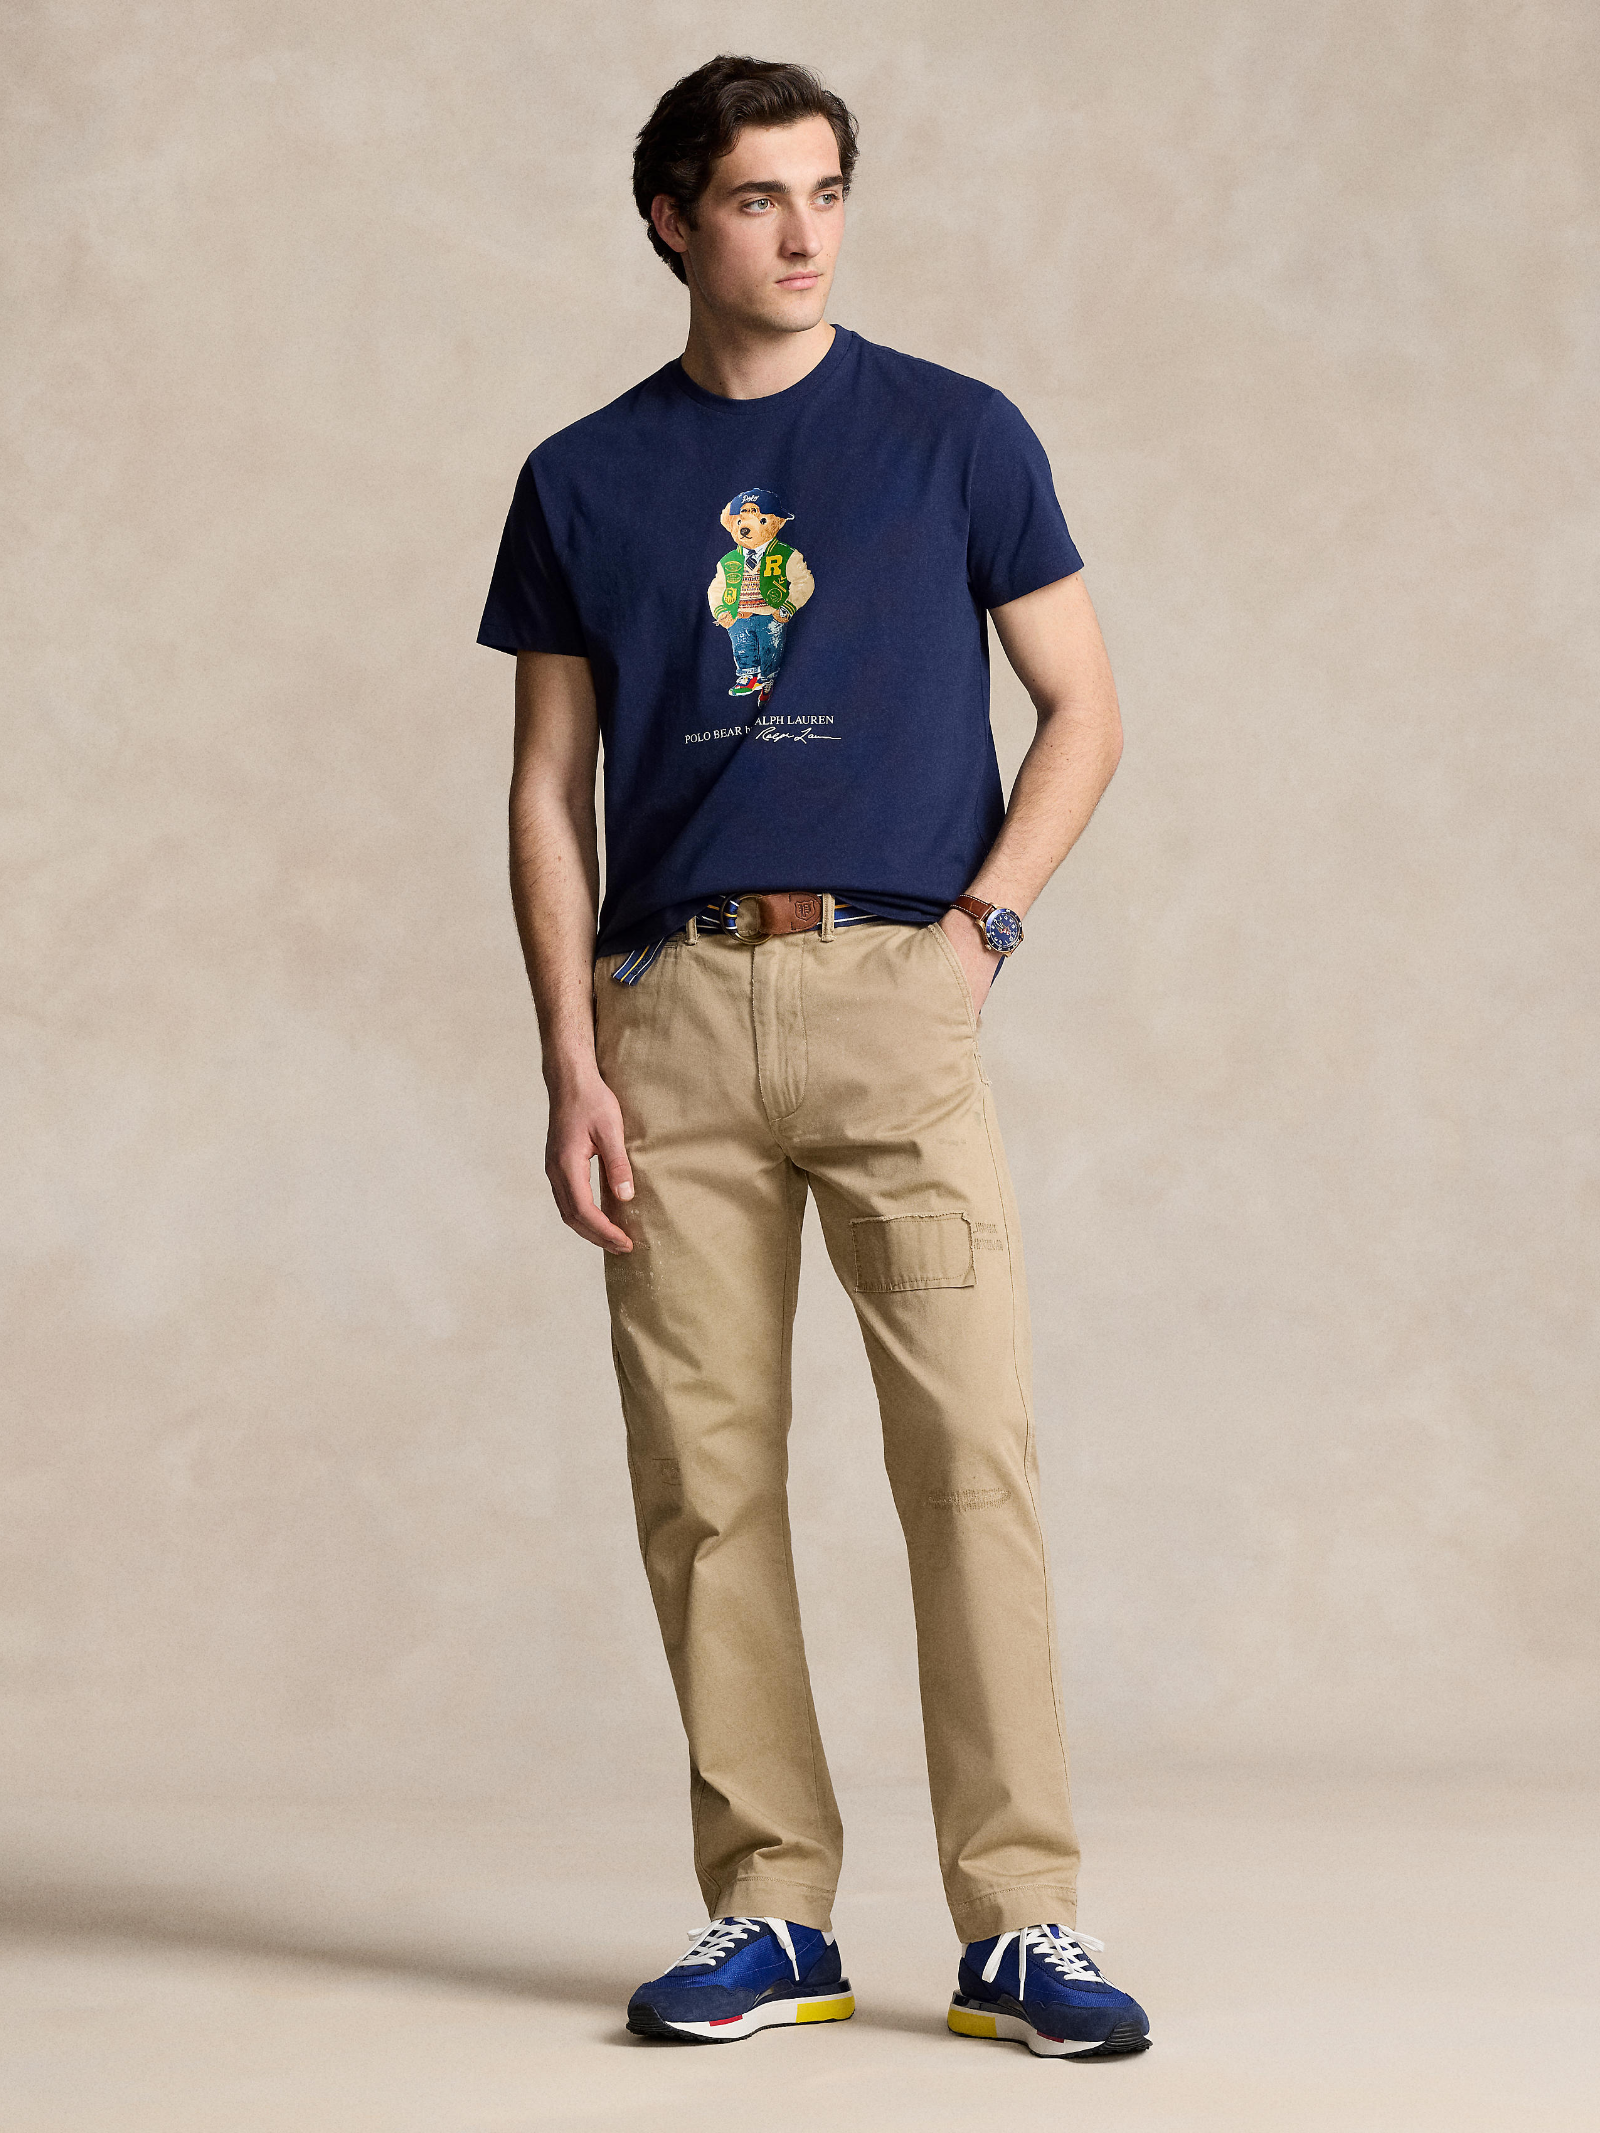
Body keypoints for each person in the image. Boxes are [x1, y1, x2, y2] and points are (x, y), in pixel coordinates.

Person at [478, 53, 1149, 2060]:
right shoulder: (581, 478)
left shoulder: (955, 435)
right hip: (670, 1017)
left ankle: (1021, 1922)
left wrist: (979, 932)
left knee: (968, 1460)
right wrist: (571, 1057)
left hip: (892, 999)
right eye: (760, 197)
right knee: (704, 1484)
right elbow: (546, 788)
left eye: (827, 191)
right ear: (672, 220)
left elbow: (1085, 707)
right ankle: (770, 1911)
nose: (804, 233)